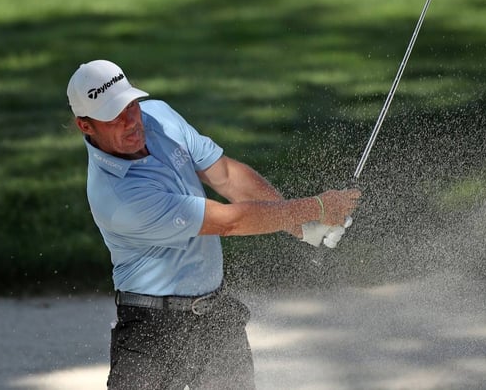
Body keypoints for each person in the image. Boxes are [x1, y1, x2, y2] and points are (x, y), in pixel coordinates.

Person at [66, 59, 361, 389]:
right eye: (113, 116)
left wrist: (300, 226)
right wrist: (315, 207)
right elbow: (228, 222)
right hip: (152, 331)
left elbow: (226, 176)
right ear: (86, 126)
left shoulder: (159, 117)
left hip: (216, 316)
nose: (132, 121)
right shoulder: (117, 196)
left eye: (131, 104)